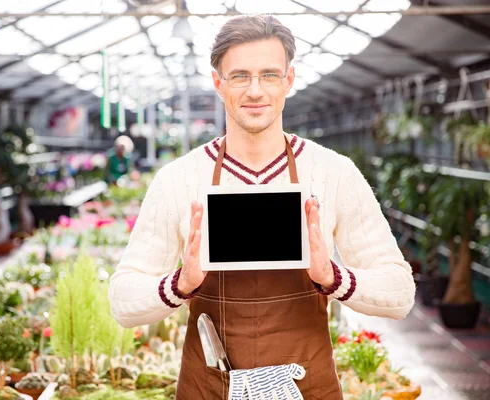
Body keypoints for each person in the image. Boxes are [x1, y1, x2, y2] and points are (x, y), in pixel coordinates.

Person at [109, 14, 416, 400]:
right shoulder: (179, 178)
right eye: (240, 76)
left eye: (269, 75)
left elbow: (400, 292)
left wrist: (333, 276)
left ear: (289, 80)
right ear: (218, 83)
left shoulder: (333, 173)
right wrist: (180, 284)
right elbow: (122, 301)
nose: (255, 90)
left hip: (306, 385)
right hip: (209, 387)